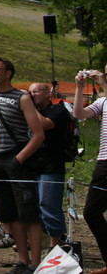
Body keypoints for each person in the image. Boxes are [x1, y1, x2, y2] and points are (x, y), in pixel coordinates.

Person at [0, 57, 45, 274]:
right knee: (10, 213)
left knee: (29, 212)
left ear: (8, 73)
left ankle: (36, 261)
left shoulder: (22, 97)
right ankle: (22, 260)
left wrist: (19, 158)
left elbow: (38, 134)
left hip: (17, 157)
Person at [72, 68, 107, 274]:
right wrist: (78, 87)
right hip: (104, 162)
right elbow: (78, 114)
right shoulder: (103, 101)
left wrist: (102, 83)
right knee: (92, 213)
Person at [29, 82, 69, 247]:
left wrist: (29, 107)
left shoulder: (59, 111)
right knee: (34, 208)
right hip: (32, 166)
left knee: (48, 206)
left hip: (52, 166)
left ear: (48, 93)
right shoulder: (29, 112)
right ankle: (40, 242)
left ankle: (56, 244)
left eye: (36, 92)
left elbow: (44, 124)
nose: (32, 96)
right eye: (30, 93)